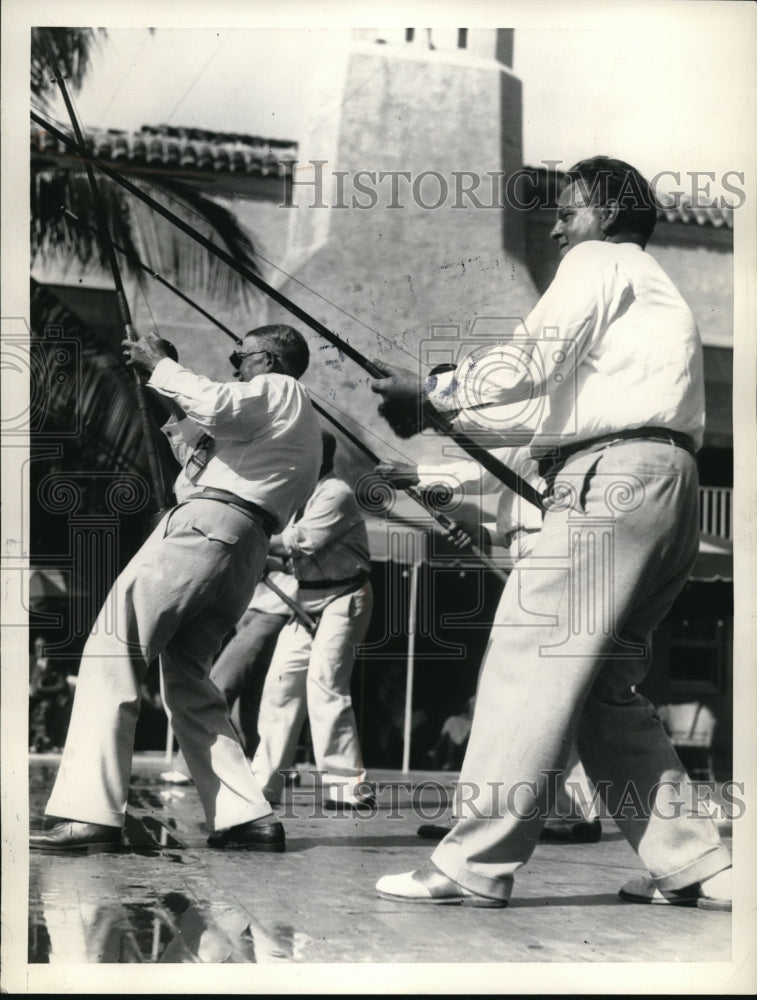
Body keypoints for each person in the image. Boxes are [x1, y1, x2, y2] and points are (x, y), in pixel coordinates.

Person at [370, 156, 732, 910]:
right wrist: (446, 411)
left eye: (568, 210)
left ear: (606, 214)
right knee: (603, 688)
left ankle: (472, 863)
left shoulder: (597, 261)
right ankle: (694, 862)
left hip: (609, 482)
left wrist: (435, 390)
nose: (556, 224)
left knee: (526, 659)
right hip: (666, 486)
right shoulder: (649, 292)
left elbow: (528, 364)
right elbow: (539, 412)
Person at [30, 323, 322, 854]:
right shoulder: (278, 425)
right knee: (189, 683)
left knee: (112, 647)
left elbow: (217, 406)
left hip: (207, 529)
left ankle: (89, 813)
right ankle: (244, 817)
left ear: (271, 359)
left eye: (242, 355)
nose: (236, 365)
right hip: (238, 545)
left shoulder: (280, 390)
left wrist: (162, 364)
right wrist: (160, 379)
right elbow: (192, 460)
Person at [379, 449, 601, 844]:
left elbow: (482, 471)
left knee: (504, 686)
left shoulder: (542, 422)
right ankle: (575, 811)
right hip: (538, 556)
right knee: (547, 690)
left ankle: (476, 814)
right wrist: (487, 532)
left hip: (550, 559)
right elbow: (524, 511)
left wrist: (418, 471)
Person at [251, 430, 375, 809]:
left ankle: (347, 787)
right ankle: (263, 785)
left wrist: (247, 541)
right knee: (281, 685)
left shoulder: (335, 492)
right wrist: (258, 560)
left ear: (320, 459)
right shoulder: (298, 494)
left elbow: (299, 541)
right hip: (307, 598)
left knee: (325, 686)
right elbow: (288, 557)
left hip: (344, 597)